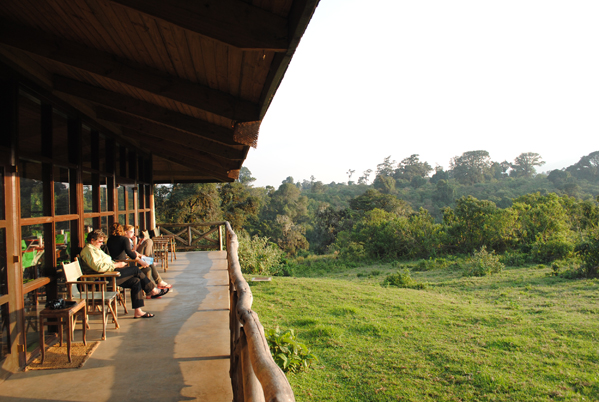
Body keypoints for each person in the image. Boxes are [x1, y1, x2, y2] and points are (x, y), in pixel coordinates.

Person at [80, 229, 166, 318]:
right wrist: (116, 265)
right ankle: (152, 290)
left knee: (135, 281)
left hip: (109, 275)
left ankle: (138, 311)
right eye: (100, 241)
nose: (102, 244)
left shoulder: (95, 249)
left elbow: (105, 263)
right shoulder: (89, 251)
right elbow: (99, 267)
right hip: (101, 280)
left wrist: (115, 264)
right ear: (92, 240)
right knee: (135, 270)